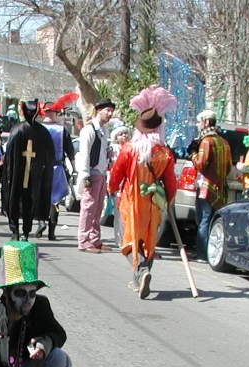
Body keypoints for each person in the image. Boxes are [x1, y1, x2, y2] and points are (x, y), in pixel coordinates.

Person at [108, 86, 177, 299]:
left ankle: (142, 271)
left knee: (128, 240)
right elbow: (170, 182)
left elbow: (117, 174)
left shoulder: (130, 148)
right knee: (149, 240)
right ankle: (140, 279)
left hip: (131, 201)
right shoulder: (165, 153)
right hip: (154, 203)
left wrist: (112, 190)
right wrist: (169, 200)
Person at [1, 99, 55, 241]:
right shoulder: (40, 132)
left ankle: (18, 232)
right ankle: (22, 231)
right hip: (27, 174)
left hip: (23, 174)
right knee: (26, 202)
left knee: (24, 201)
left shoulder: (19, 129)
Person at [189, 109, 232, 261]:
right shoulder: (224, 142)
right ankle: (211, 253)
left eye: (199, 122)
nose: (197, 125)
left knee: (203, 221)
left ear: (207, 122)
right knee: (213, 222)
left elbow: (200, 165)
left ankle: (202, 254)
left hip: (206, 188)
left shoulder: (207, 141)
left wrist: (193, 153)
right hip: (219, 188)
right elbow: (228, 168)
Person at [75, 98, 115, 253]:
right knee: (88, 208)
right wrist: (85, 176)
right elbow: (84, 153)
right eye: (107, 110)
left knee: (97, 208)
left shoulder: (103, 130)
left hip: (101, 172)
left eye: (111, 111)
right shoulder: (89, 130)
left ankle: (94, 238)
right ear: (99, 110)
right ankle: (84, 240)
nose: (110, 114)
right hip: (91, 173)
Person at [37, 95, 77, 241]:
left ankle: (41, 223)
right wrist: (74, 169)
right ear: (56, 113)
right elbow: (70, 151)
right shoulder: (62, 130)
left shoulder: (37, 129)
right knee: (55, 200)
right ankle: (51, 231)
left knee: (42, 198)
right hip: (57, 168)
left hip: (40, 168)